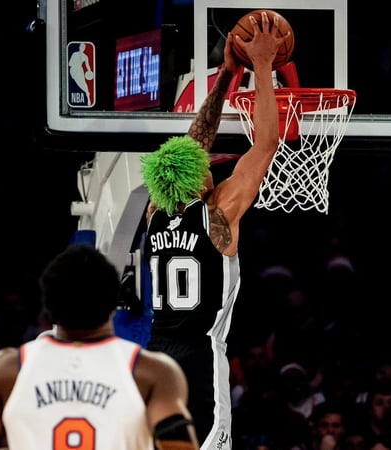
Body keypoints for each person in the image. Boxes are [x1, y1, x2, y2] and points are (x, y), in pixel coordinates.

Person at [140, 11, 288, 450]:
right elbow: (266, 144)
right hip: (198, 358)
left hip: (156, 356)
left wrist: (227, 74)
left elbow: (193, 143)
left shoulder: (155, 213)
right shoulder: (218, 213)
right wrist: (262, 64)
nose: (208, 162)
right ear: (198, 180)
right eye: (204, 166)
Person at [0, 244, 199, 450]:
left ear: (48, 306)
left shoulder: (7, 370)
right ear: (113, 302)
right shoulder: (151, 372)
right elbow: (177, 443)